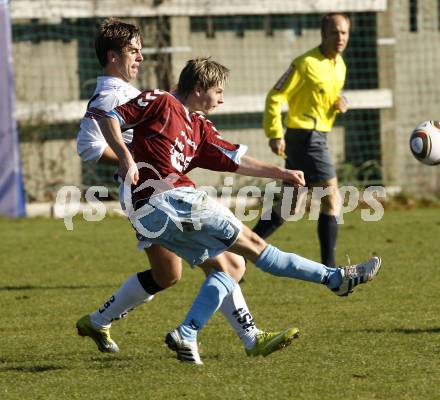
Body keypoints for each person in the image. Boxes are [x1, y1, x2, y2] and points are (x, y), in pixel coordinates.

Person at [97, 56, 382, 365]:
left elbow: (235, 160)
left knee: (232, 266)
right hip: (171, 200)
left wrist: (281, 172)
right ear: (199, 87)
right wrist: (125, 156)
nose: (221, 99)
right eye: (218, 91)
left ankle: (188, 332)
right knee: (256, 248)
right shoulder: (162, 101)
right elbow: (108, 115)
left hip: (154, 217)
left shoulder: (199, 128)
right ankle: (335, 279)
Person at [75, 18, 299, 360]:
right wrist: (130, 158)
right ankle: (248, 337)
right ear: (112, 56)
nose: (140, 58)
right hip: (151, 194)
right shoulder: (110, 94)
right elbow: (88, 147)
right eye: (133, 51)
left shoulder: (128, 93)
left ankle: (98, 320)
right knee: (226, 264)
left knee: (168, 274)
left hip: (152, 193)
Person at [252, 13, 351, 267]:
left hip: (314, 137)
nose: (340, 38)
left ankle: (238, 252)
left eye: (344, 33)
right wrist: (274, 132)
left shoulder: (339, 65)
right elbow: (275, 96)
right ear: (323, 34)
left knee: (288, 207)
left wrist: (338, 103)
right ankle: (331, 270)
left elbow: (322, 97)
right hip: (306, 138)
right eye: (334, 32)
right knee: (332, 198)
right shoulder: (305, 63)